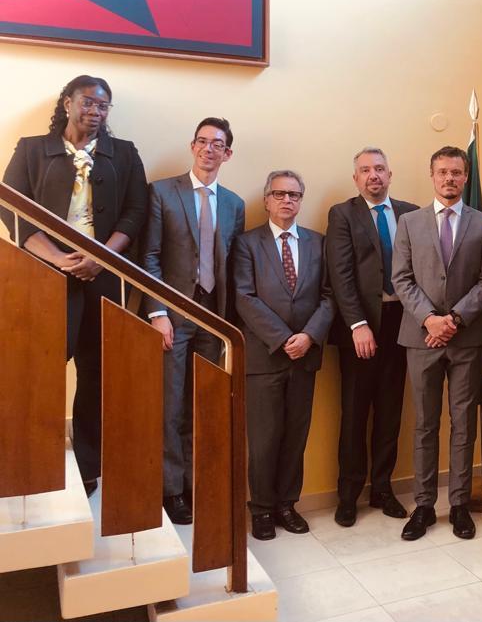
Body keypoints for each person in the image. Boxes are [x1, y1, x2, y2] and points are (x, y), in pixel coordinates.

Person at [0, 75, 147, 496]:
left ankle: (87, 466)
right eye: (88, 102)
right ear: (67, 103)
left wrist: (100, 257)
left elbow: (135, 213)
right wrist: (59, 259)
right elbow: (12, 207)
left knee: (96, 371)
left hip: (104, 276)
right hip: (43, 275)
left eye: (104, 106)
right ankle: (32, 455)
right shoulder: (32, 149)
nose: (95, 111)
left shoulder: (124, 153)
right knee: (39, 369)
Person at [391, 145, 482, 541]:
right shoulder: (409, 222)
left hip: (466, 338)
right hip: (420, 338)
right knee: (424, 424)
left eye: (456, 172)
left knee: (463, 424)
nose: (450, 179)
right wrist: (430, 319)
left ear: (465, 177)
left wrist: (452, 320)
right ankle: (422, 505)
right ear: (431, 175)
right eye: (443, 172)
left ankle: (459, 505)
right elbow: (400, 278)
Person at [142, 117, 246, 525]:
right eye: (202, 141)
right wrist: (157, 312)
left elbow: (233, 264)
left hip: (213, 320)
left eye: (217, 144)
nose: (208, 149)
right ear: (192, 147)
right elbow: (149, 255)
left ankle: (194, 484)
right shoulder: (163, 192)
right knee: (171, 405)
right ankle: (171, 491)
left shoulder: (235, 204)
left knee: (204, 404)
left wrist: (229, 326)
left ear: (227, 153)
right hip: (172, 316)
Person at [233, 170, 334, 540]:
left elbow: (328, 295)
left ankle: (287, 504)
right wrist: (283, 337)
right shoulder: (246, 244)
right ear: (266, 200)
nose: (286, 200)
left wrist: (308, 336)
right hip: (264, 356)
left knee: (295, 435)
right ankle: (260, 508)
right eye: (279, 194)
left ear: (301, 200)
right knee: (263, 438)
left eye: (294, 194)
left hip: (305, 356)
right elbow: (244, 296)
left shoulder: (317, 243)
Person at [326, 147, 417, 527]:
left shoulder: (411, 213)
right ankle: (349, 495)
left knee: (390, 410)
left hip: (403, 321)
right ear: (356, 178)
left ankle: (382, 488)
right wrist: (357, 324)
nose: (373, 176)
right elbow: (340, 274)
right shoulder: (343, 213)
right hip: (360, 326)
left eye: (379, 169)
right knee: (355, 412)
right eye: (365, 170)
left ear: (390, 174)